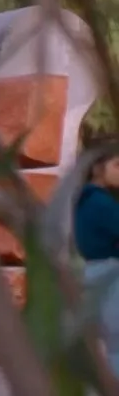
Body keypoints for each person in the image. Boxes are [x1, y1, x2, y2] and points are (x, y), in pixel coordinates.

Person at [75, 146, 119, 375]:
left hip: (94, 272)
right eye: (117, 165)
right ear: (97, 169)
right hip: (111, 276)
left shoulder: (84, 201)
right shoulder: (101, 203)